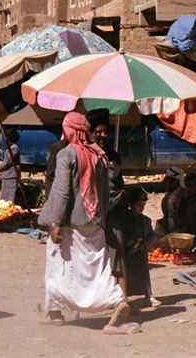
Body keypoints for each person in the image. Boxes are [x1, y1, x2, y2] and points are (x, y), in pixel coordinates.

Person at [38, 112, 128, 325]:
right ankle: (116, 300)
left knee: (58, 265)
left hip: (71, 223)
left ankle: (56, 311)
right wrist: (101, 218)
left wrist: (57, 223)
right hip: (95, 220)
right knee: (96, 265)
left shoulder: (67, 155)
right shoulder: (99, 155)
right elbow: (106, 192)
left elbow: (62, 192)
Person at [85, 108, 124, 197]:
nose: (103, 135)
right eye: (99, 132)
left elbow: (119, 185)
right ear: (90, 133)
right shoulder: (84, 155)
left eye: (105, 131)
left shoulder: (114, 156)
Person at [154, 167, 186, 236]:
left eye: (169, 181)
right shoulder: (169, 195)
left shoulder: (183, 196)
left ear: (176, 182)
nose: (165, 183)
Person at [0, 128, 21, 203]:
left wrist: (0, 168)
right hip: (8, 175)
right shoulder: (11, 148)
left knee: (9, 197)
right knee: (5, 196)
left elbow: (8, 162)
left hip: (11, 175)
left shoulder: (14, 148)